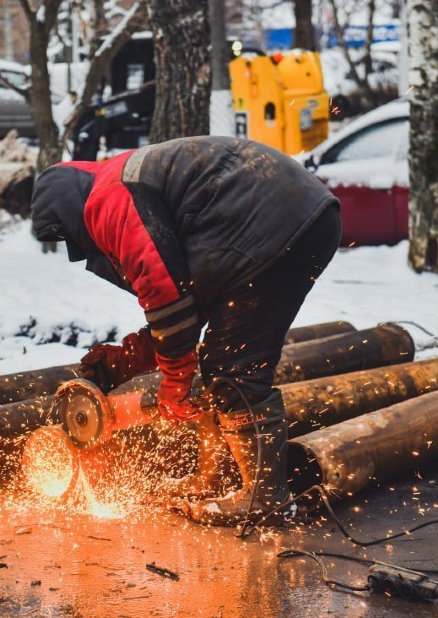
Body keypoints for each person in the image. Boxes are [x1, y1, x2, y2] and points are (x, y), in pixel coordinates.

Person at [30, 136, 341, 528]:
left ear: (67, 215)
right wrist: (127, 359)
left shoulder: (106, 201)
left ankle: (264, 500)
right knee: (222, 361)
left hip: (274, 221)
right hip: (295, 217)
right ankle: (215, 480)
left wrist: (174, 385)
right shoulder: (120, 181)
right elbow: (192, 298)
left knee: (236, 368)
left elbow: (168, 296)